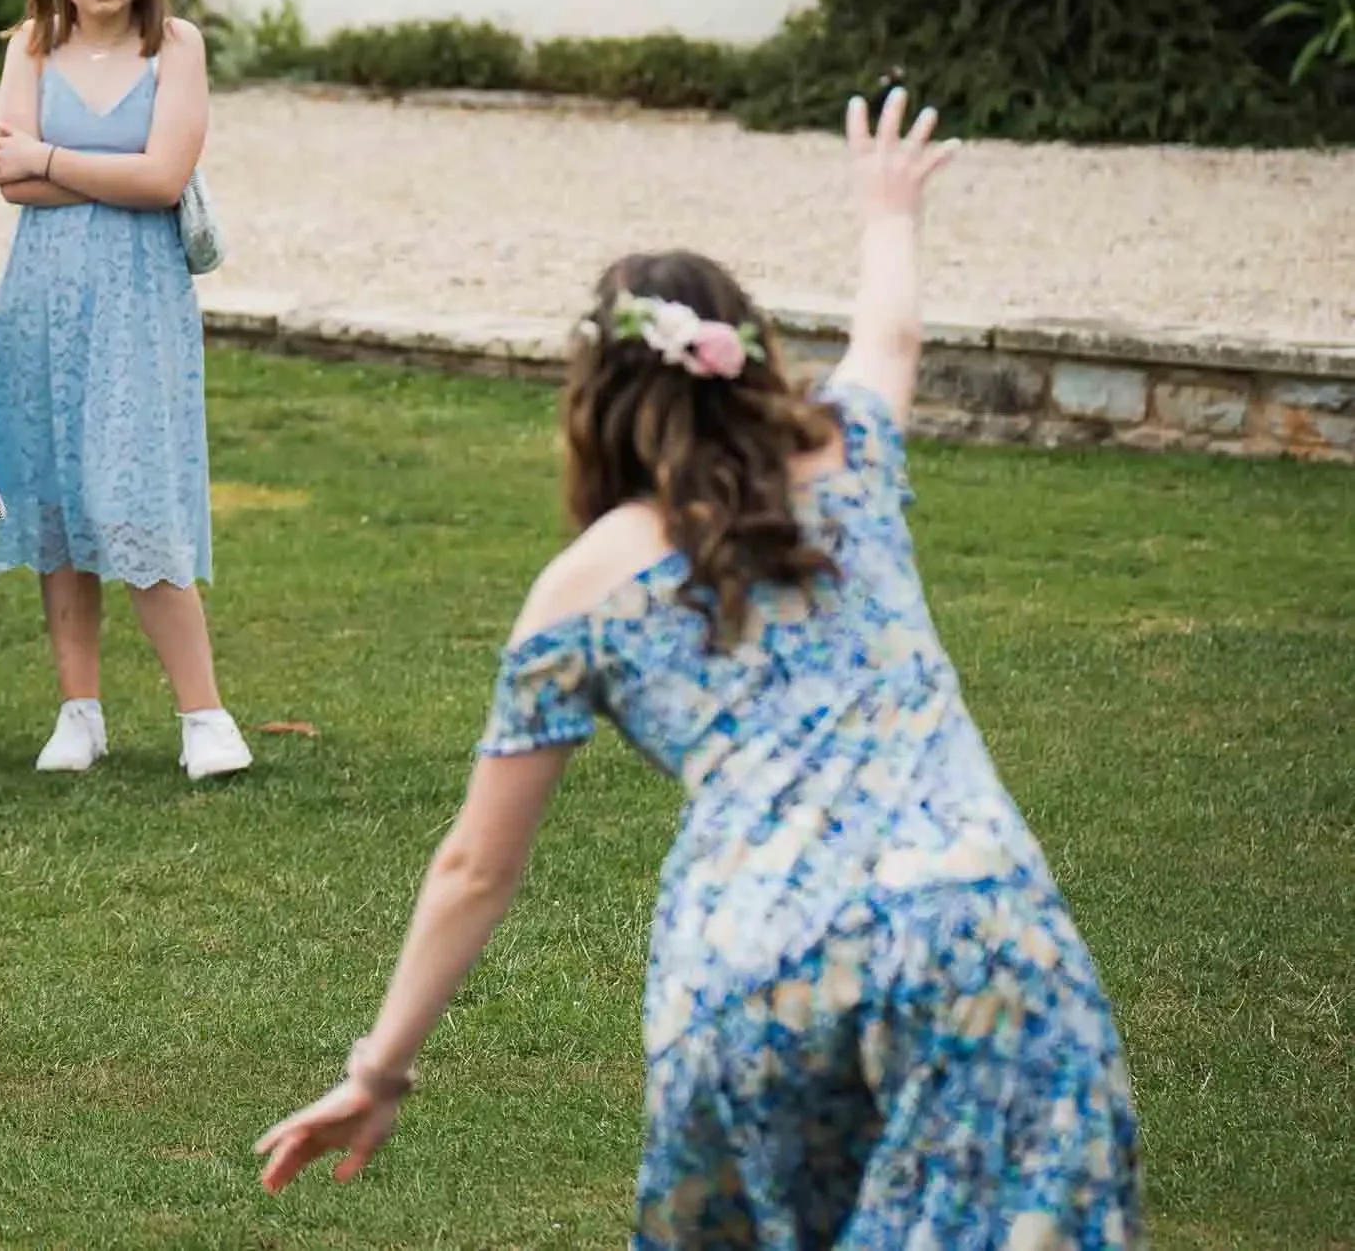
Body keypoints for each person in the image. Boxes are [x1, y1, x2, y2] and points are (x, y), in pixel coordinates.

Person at [255, 92, 1142, 1244]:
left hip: (745, 973)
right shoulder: (846, 457)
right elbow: (890, 339)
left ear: (598, 393)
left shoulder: (573, 589)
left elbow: (476, 863)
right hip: (973, 923)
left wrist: (378, 1068)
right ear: (751, 352)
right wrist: (886, 212)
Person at [0, 0, 251, 782]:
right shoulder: (30, 47)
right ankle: (78, 711)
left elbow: (165, 175)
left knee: (134, 495)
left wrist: (51, 159)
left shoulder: (177, 46)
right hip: (44, 297)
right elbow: (6, 185)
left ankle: (205, 716)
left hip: (138, 298)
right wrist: (102, 173)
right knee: (56, 500)